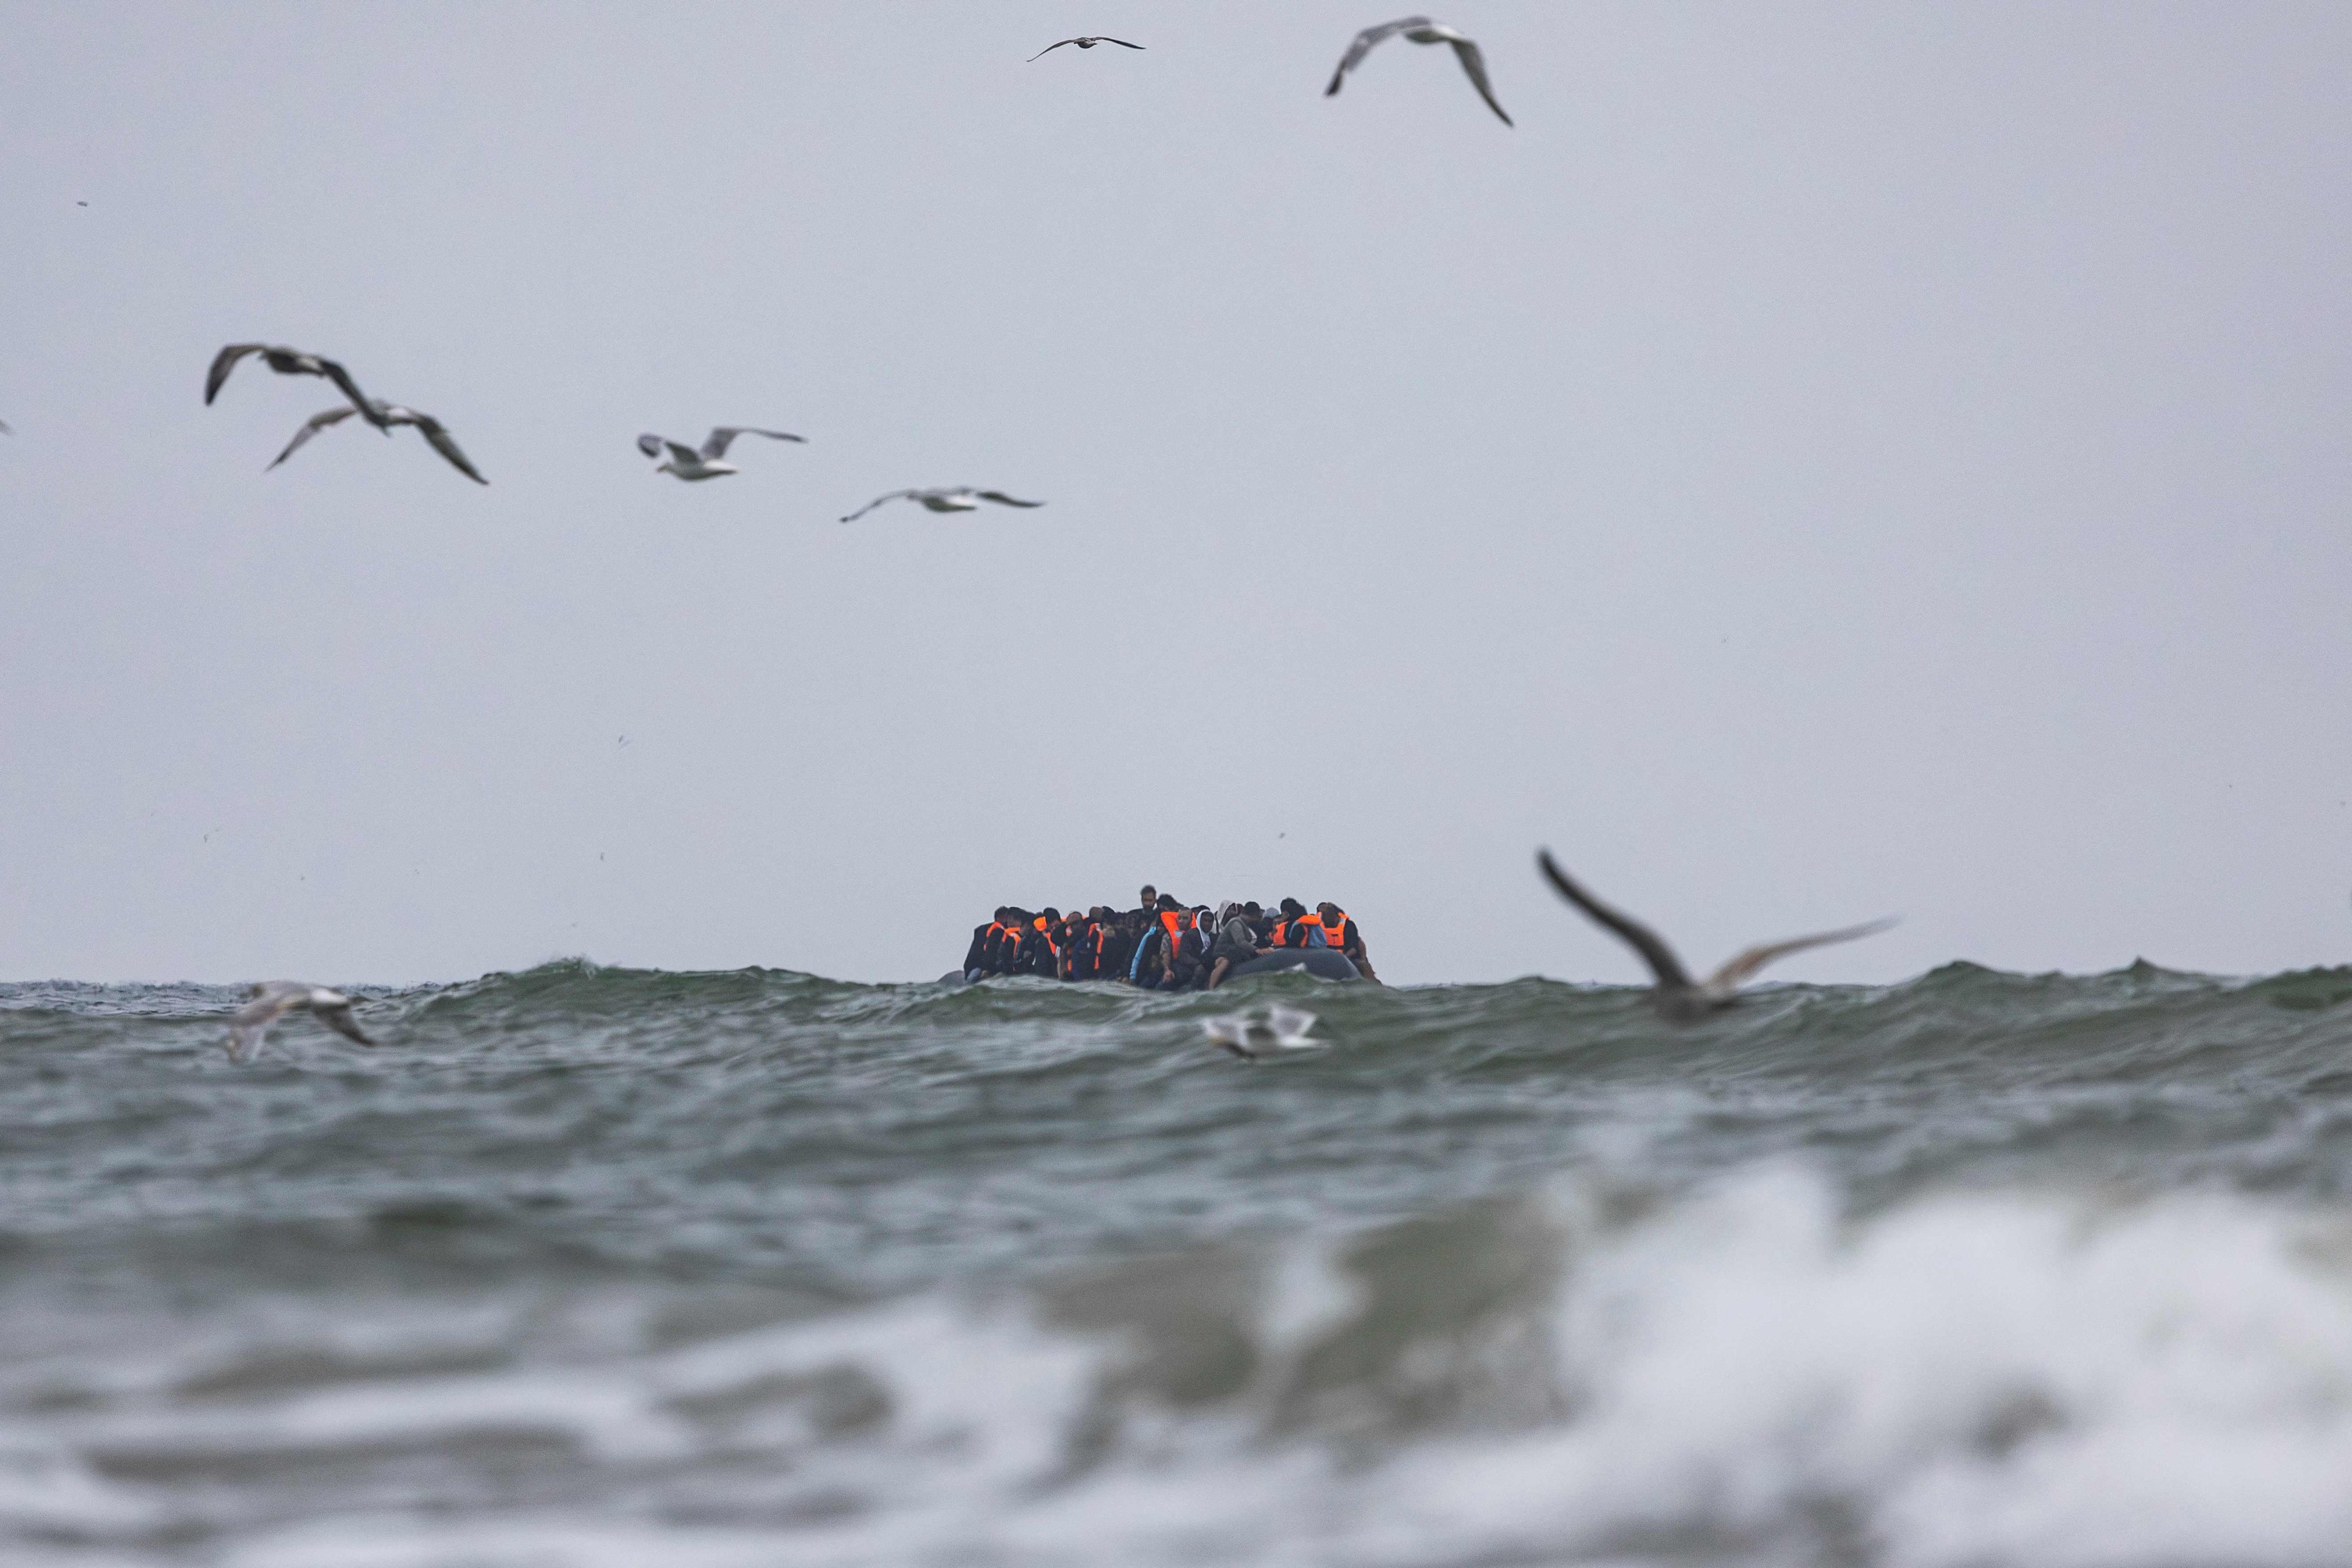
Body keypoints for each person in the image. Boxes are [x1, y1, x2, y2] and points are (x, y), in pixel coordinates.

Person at [1318, 901, 1381, 983]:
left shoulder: (1349, 926)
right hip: (1327, 958)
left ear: (1336, 916)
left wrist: (1342, 958)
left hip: (1349, 958)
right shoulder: (1319, 926)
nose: (1328, 921)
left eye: (1330, 917)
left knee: (1363, 965)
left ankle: (1374, 986)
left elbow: (1354, 948)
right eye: (1325, 918)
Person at [1204, 902, 1261, 990]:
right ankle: (1211, 989)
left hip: (1233, 953)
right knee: (1225, 963)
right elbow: (1240, 942)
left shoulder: (1245, 925)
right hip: (1220, 954)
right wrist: (1257, 950)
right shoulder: (1236, 923)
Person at [964, 907, 1010, 980]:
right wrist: (987, 968)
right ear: (1000, 918)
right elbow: (989, 951)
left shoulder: (984, 930)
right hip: (979, 967)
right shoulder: (997, 931)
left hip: (975, 966)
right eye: (1007, 917)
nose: (1009, 921)